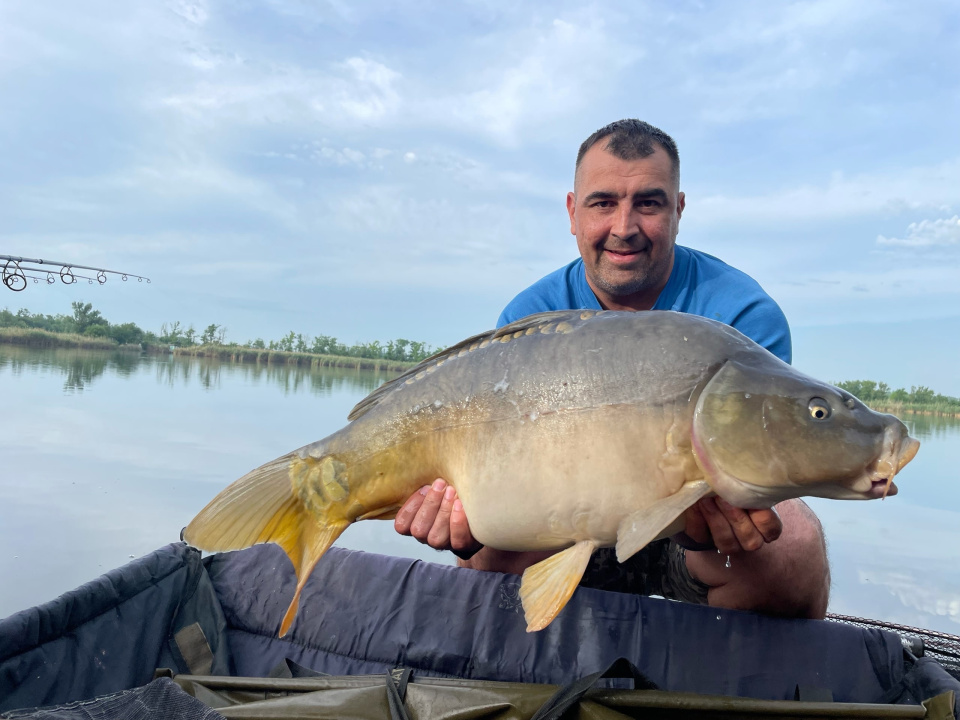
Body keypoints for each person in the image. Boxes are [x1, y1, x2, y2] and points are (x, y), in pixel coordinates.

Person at [395, 119, 830, 620]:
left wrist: (713, 517)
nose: (624, 228)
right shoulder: (531, 316)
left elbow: (760, 475)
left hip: (691, 536)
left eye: (648, 203)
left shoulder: (744, 316)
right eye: (603, 203)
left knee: (793, 542)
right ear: (572, 213)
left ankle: (716, 692)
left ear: (678, 210)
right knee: (487, 554)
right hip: (560, 522)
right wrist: (457, 521)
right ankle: (527, 684)